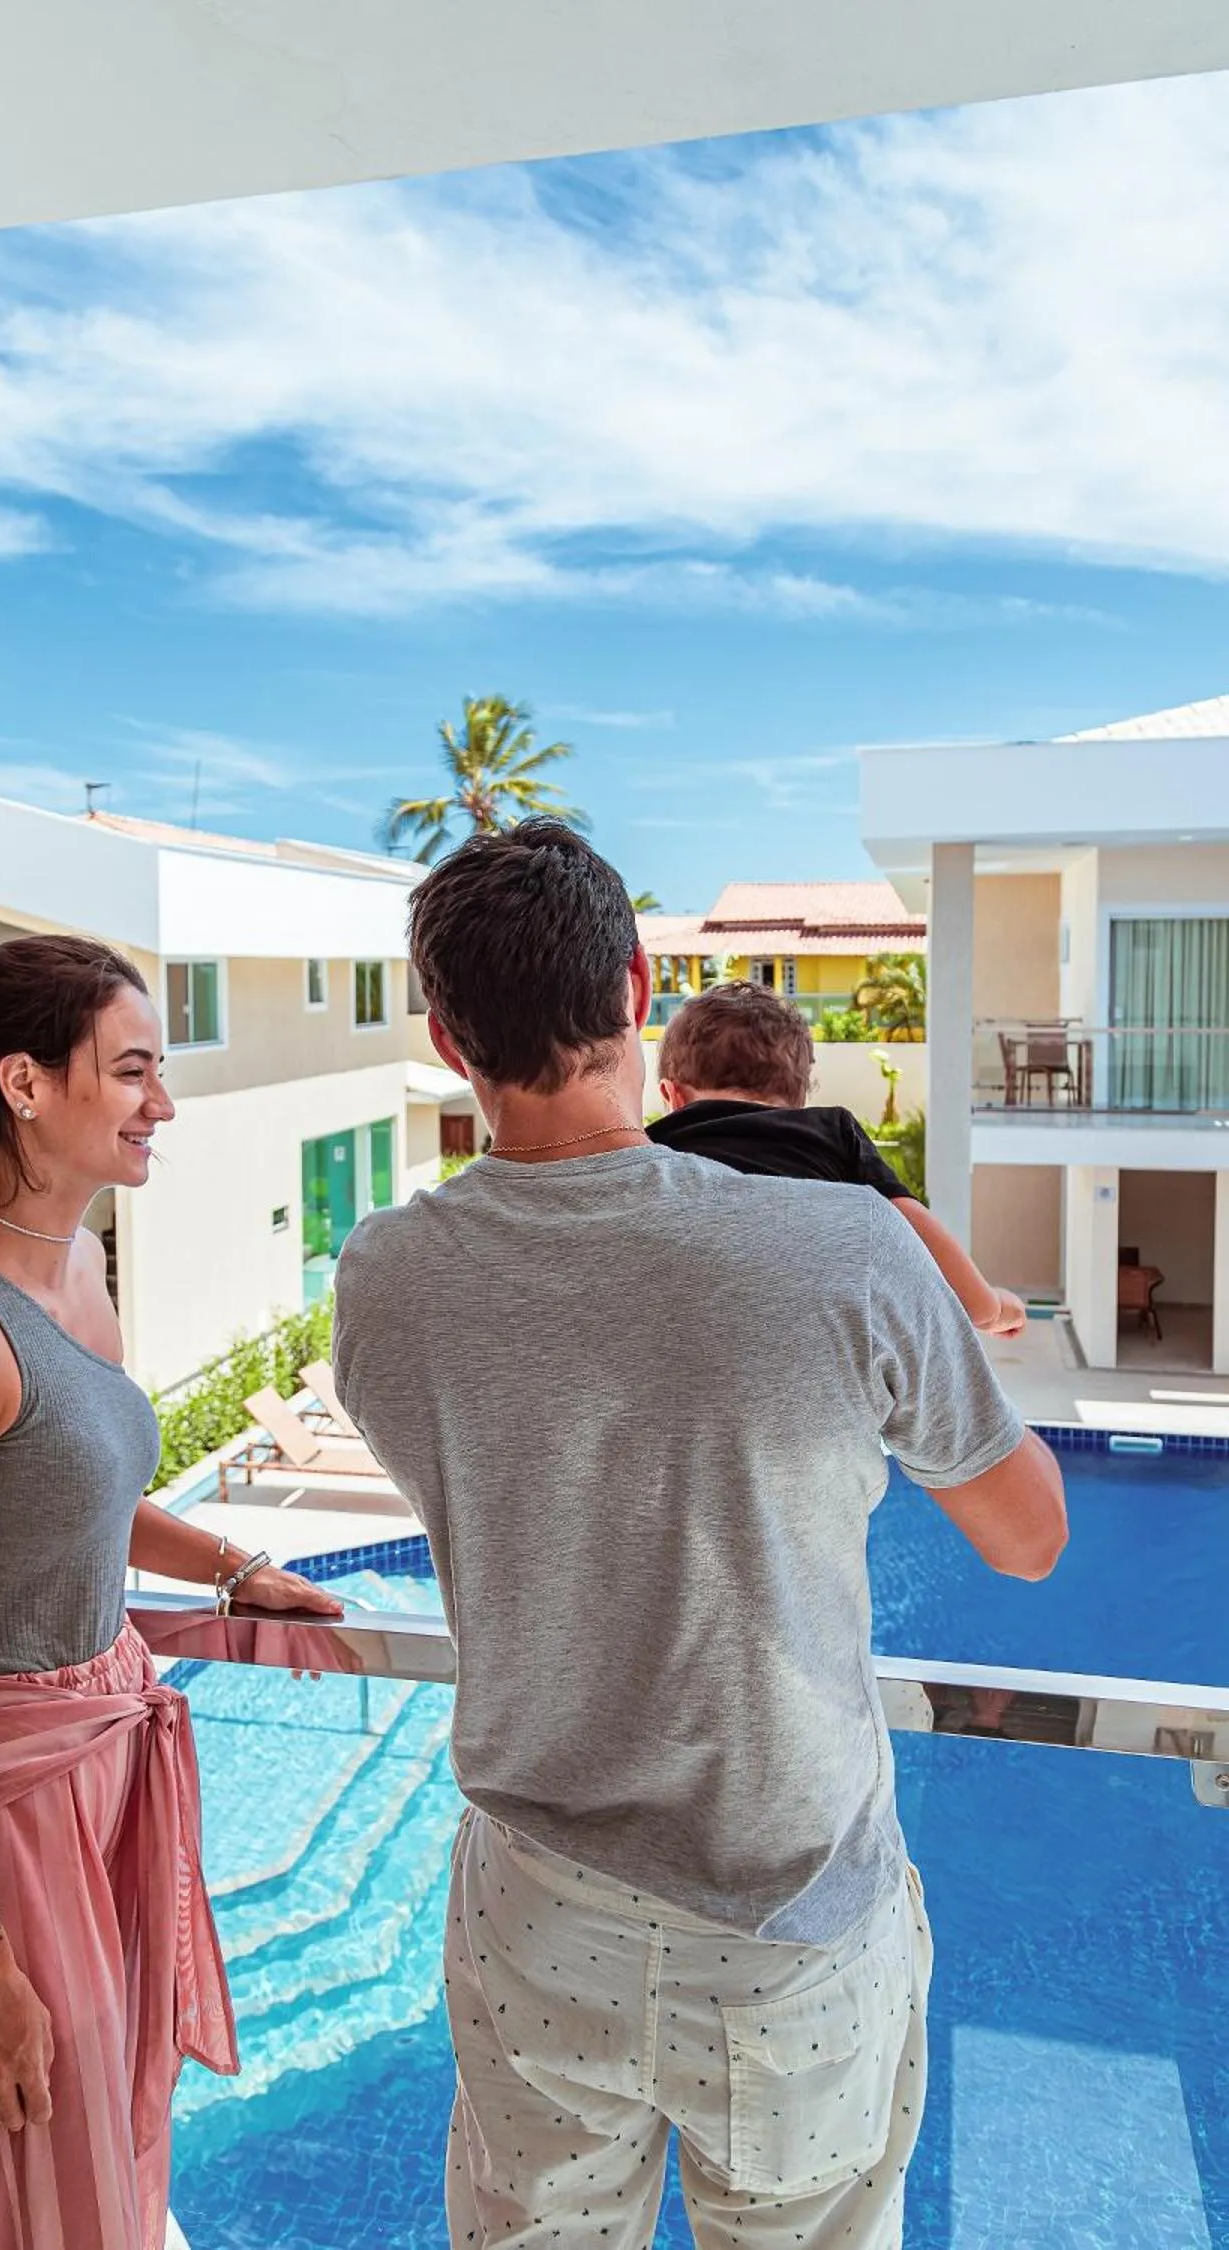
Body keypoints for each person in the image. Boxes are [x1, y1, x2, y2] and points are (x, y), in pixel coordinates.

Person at [331, 822, 1066, 2250]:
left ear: (447, 1037)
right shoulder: (845, 1248)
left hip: (537, 1915)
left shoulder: (390, 1275)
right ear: (634, 985)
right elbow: (1028, 1537)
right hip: (790, 1928)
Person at [0, 933, 343, 2250]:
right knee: (33, 2189)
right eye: (131, 1071)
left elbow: (83, 1499)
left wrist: (236, 1568)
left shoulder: (79, 1272)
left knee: (111, 2163)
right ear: (25, 1084)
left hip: (107, 1763)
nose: (161, 1104)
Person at [650, 980, 1027, 1337]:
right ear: (799, 1098)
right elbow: (911, 1219)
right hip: (810, 1324)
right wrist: (990, 1307)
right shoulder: (830, 1132)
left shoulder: (661, 1142)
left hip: (696, 1320)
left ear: (672, 1096)